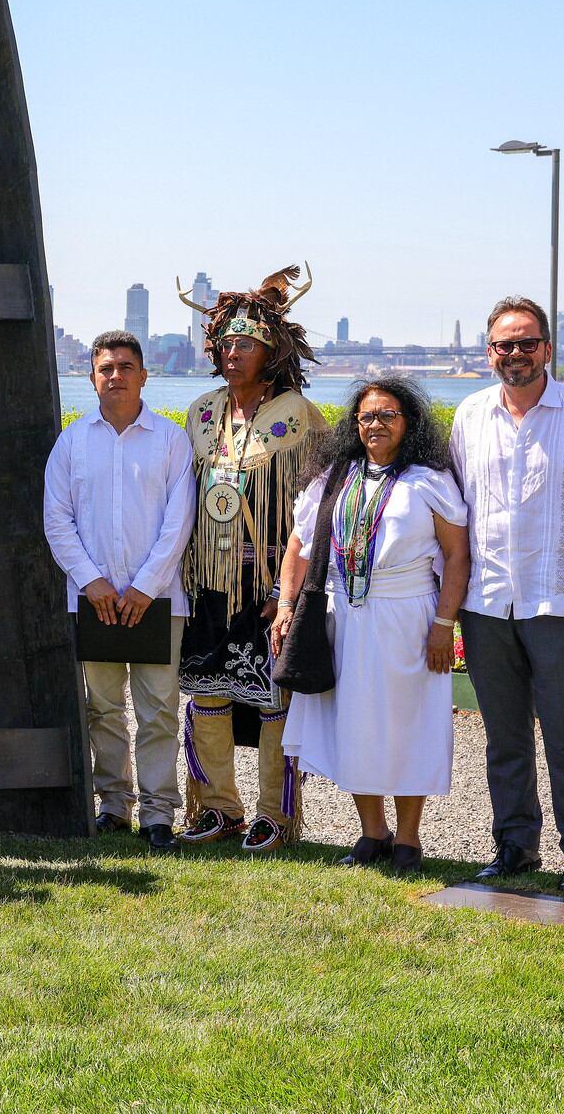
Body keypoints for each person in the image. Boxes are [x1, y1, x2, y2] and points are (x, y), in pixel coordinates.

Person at [449, 297, 564, 895]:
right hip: (487, 601)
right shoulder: (469, 415)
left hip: (563, 600)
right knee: (503, 734)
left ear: (548, 348)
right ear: (490, 351)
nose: (516, 354)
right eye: (504, 344)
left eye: (527, 342)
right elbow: (455, 512)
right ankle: (515, 847)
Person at [271, 377, 470, 875]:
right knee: (353, 723)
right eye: (366, 416)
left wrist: (444, 622)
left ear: (409, 423)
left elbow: (457, 555)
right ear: (353, 424)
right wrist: (285, 605)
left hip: (410, 615)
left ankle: (408, 840)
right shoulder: (333, 479)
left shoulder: (429, 480)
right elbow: (297, 547)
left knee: (409, 725)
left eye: (387, 415)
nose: (375, 424)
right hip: (344, 618)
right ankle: (372, 833)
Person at [174, 265, 324, 851]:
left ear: (272, 350)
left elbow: (315, 510)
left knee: (269, 699)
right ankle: (216, 809)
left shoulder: (300, 416)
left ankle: (273, 815)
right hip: (207, 576)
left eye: (246, 343)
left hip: (267, 582)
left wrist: (290, 591)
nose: (233, 353)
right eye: (225, 343)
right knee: (207, 691)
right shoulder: (201, 411)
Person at [43, 330, 196, 848]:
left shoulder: (171, 439)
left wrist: (145, 587)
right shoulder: (72, 441)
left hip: (158, 600)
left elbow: (179, 522)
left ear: (143, 376)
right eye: (106, 368)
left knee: (158, 712)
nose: (115, 376)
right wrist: (93, 582)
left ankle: (158, 814)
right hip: (95, 601)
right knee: (103, 710)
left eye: (125, 367)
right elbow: (56, 519)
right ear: (92, 378)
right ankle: (114, 806)